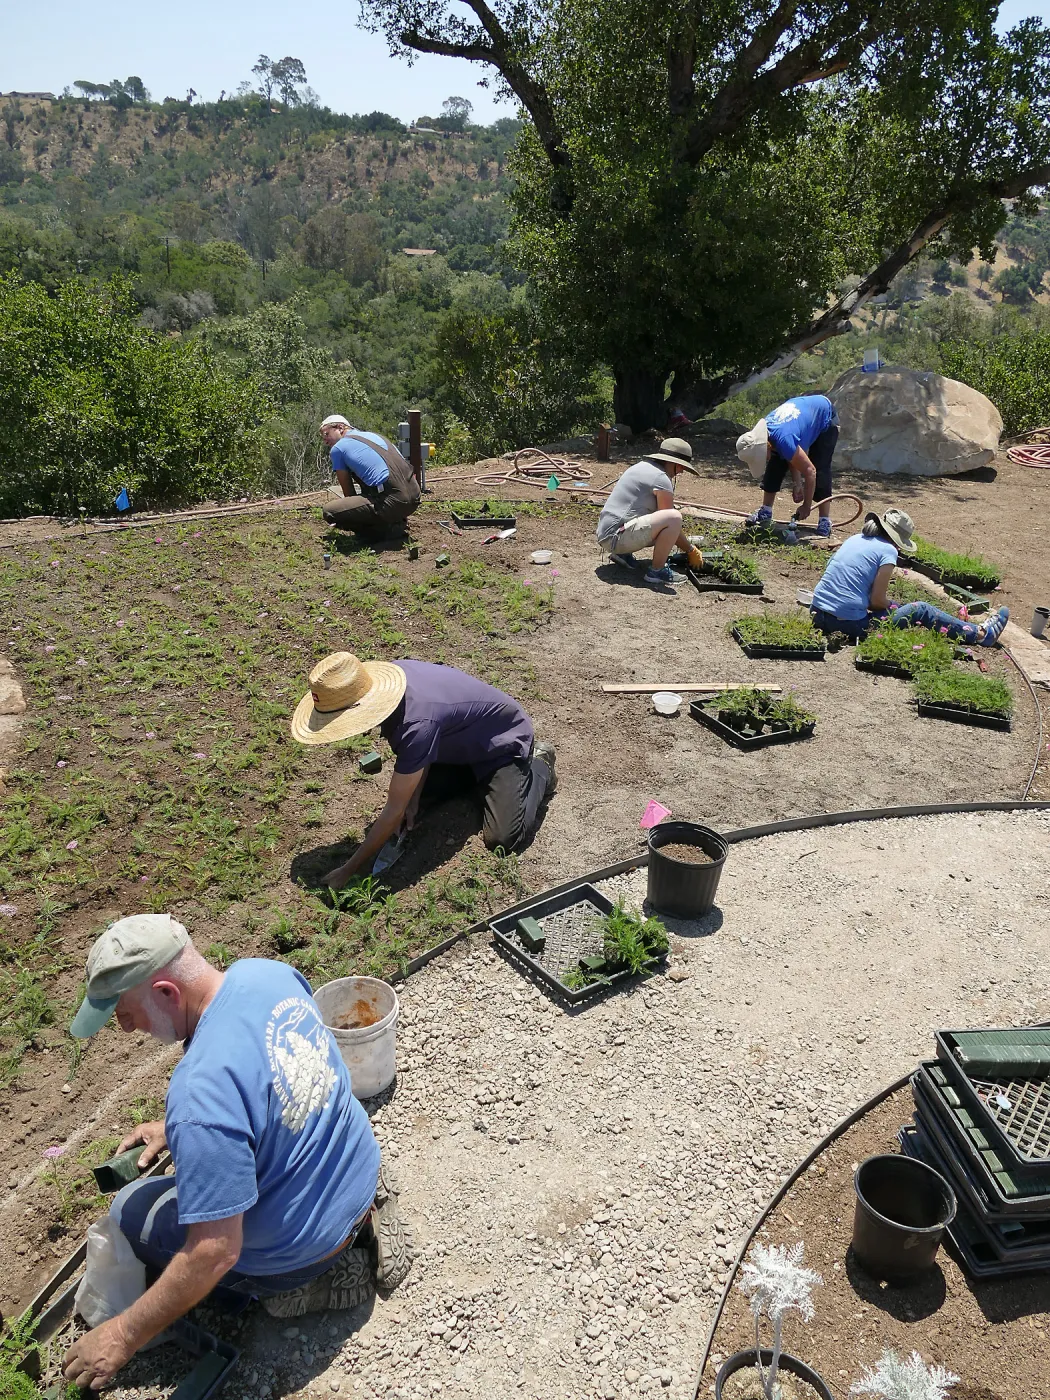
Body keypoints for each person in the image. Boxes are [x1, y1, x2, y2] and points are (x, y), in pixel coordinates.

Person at [61, 917, 412, 1393]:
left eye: (124, 1011)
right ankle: (367, 1209)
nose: (123, 1027)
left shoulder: (199, 1092)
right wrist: (188, 1131)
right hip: (358, 1164)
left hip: (303, 1249)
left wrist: (122, 1334)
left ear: (166, 992)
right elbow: (282, 1072)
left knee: (130, 1210)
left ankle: (308, 1285)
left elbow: (214, 1252)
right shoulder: (266, 974)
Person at [291, 652, 557, 888]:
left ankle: (539, 765)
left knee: (503, 838)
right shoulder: (394, 682)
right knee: (416, 800)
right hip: (458, 741)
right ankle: (480, 785)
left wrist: (348, 870)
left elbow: (395, 805)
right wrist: (413, 800)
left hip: (502, 742)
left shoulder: (415, 723)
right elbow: (427, 738)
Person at [809, 507, 1009, 644]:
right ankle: (981, 635)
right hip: (848, 624)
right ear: (897, 539)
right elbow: (876, 601)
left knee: (898, 607)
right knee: (922, 610)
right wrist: (891, 605)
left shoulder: (854, 538)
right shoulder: (888, 551)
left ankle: (975, 632)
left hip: (816, 613)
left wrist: (890, 605)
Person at [596, 437, 704, 588]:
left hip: (607, 534)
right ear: (672, 463)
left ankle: (622, 554)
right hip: (616, 538)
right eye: (681, 467)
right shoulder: (661, 478)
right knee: (674, 517)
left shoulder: (642, 466)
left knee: (665, 522)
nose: (680, 472)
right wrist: (691, 550)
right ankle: (657, 572)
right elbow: (669, 520)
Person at [735, 394, 839, 539]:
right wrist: (797, 484)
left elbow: (810, 471)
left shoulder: (782, 438)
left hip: (825, 416)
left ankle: (824, 520)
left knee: (820, 467)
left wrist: (806, 505)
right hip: (802, 417)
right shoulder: (769, 433)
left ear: (764, 446)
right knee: (776, 461)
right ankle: (765, 510)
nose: (763, 459)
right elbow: (793, 454)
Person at [319, 414, 420, 541]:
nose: (325, 440)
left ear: (340, 428)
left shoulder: (338, 449)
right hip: (415, 496)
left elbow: (348, 492)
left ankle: (381, 532)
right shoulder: (375, 436)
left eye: (326, 434)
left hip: (392, 501)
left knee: (330, 511)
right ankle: (394, 519)